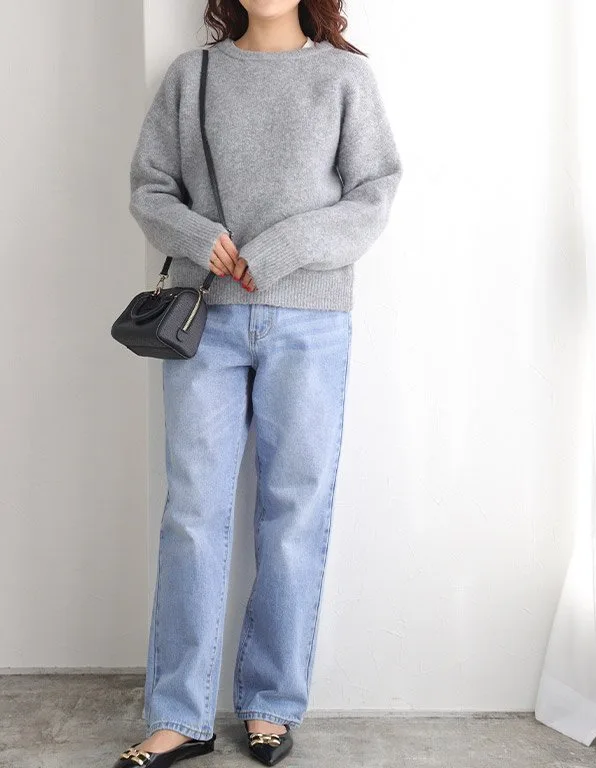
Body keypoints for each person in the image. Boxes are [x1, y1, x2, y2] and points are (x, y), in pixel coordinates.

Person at [112, 1, 402, 766]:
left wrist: (280, 248)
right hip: (202, 321)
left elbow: (374, 192)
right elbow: (149, 188)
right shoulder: (193, 75)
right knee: (192, 515)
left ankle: (271, 704)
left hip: (312, 321)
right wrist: (199, 237)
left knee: (295, 512)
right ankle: (180, 716)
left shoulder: (343, 79)